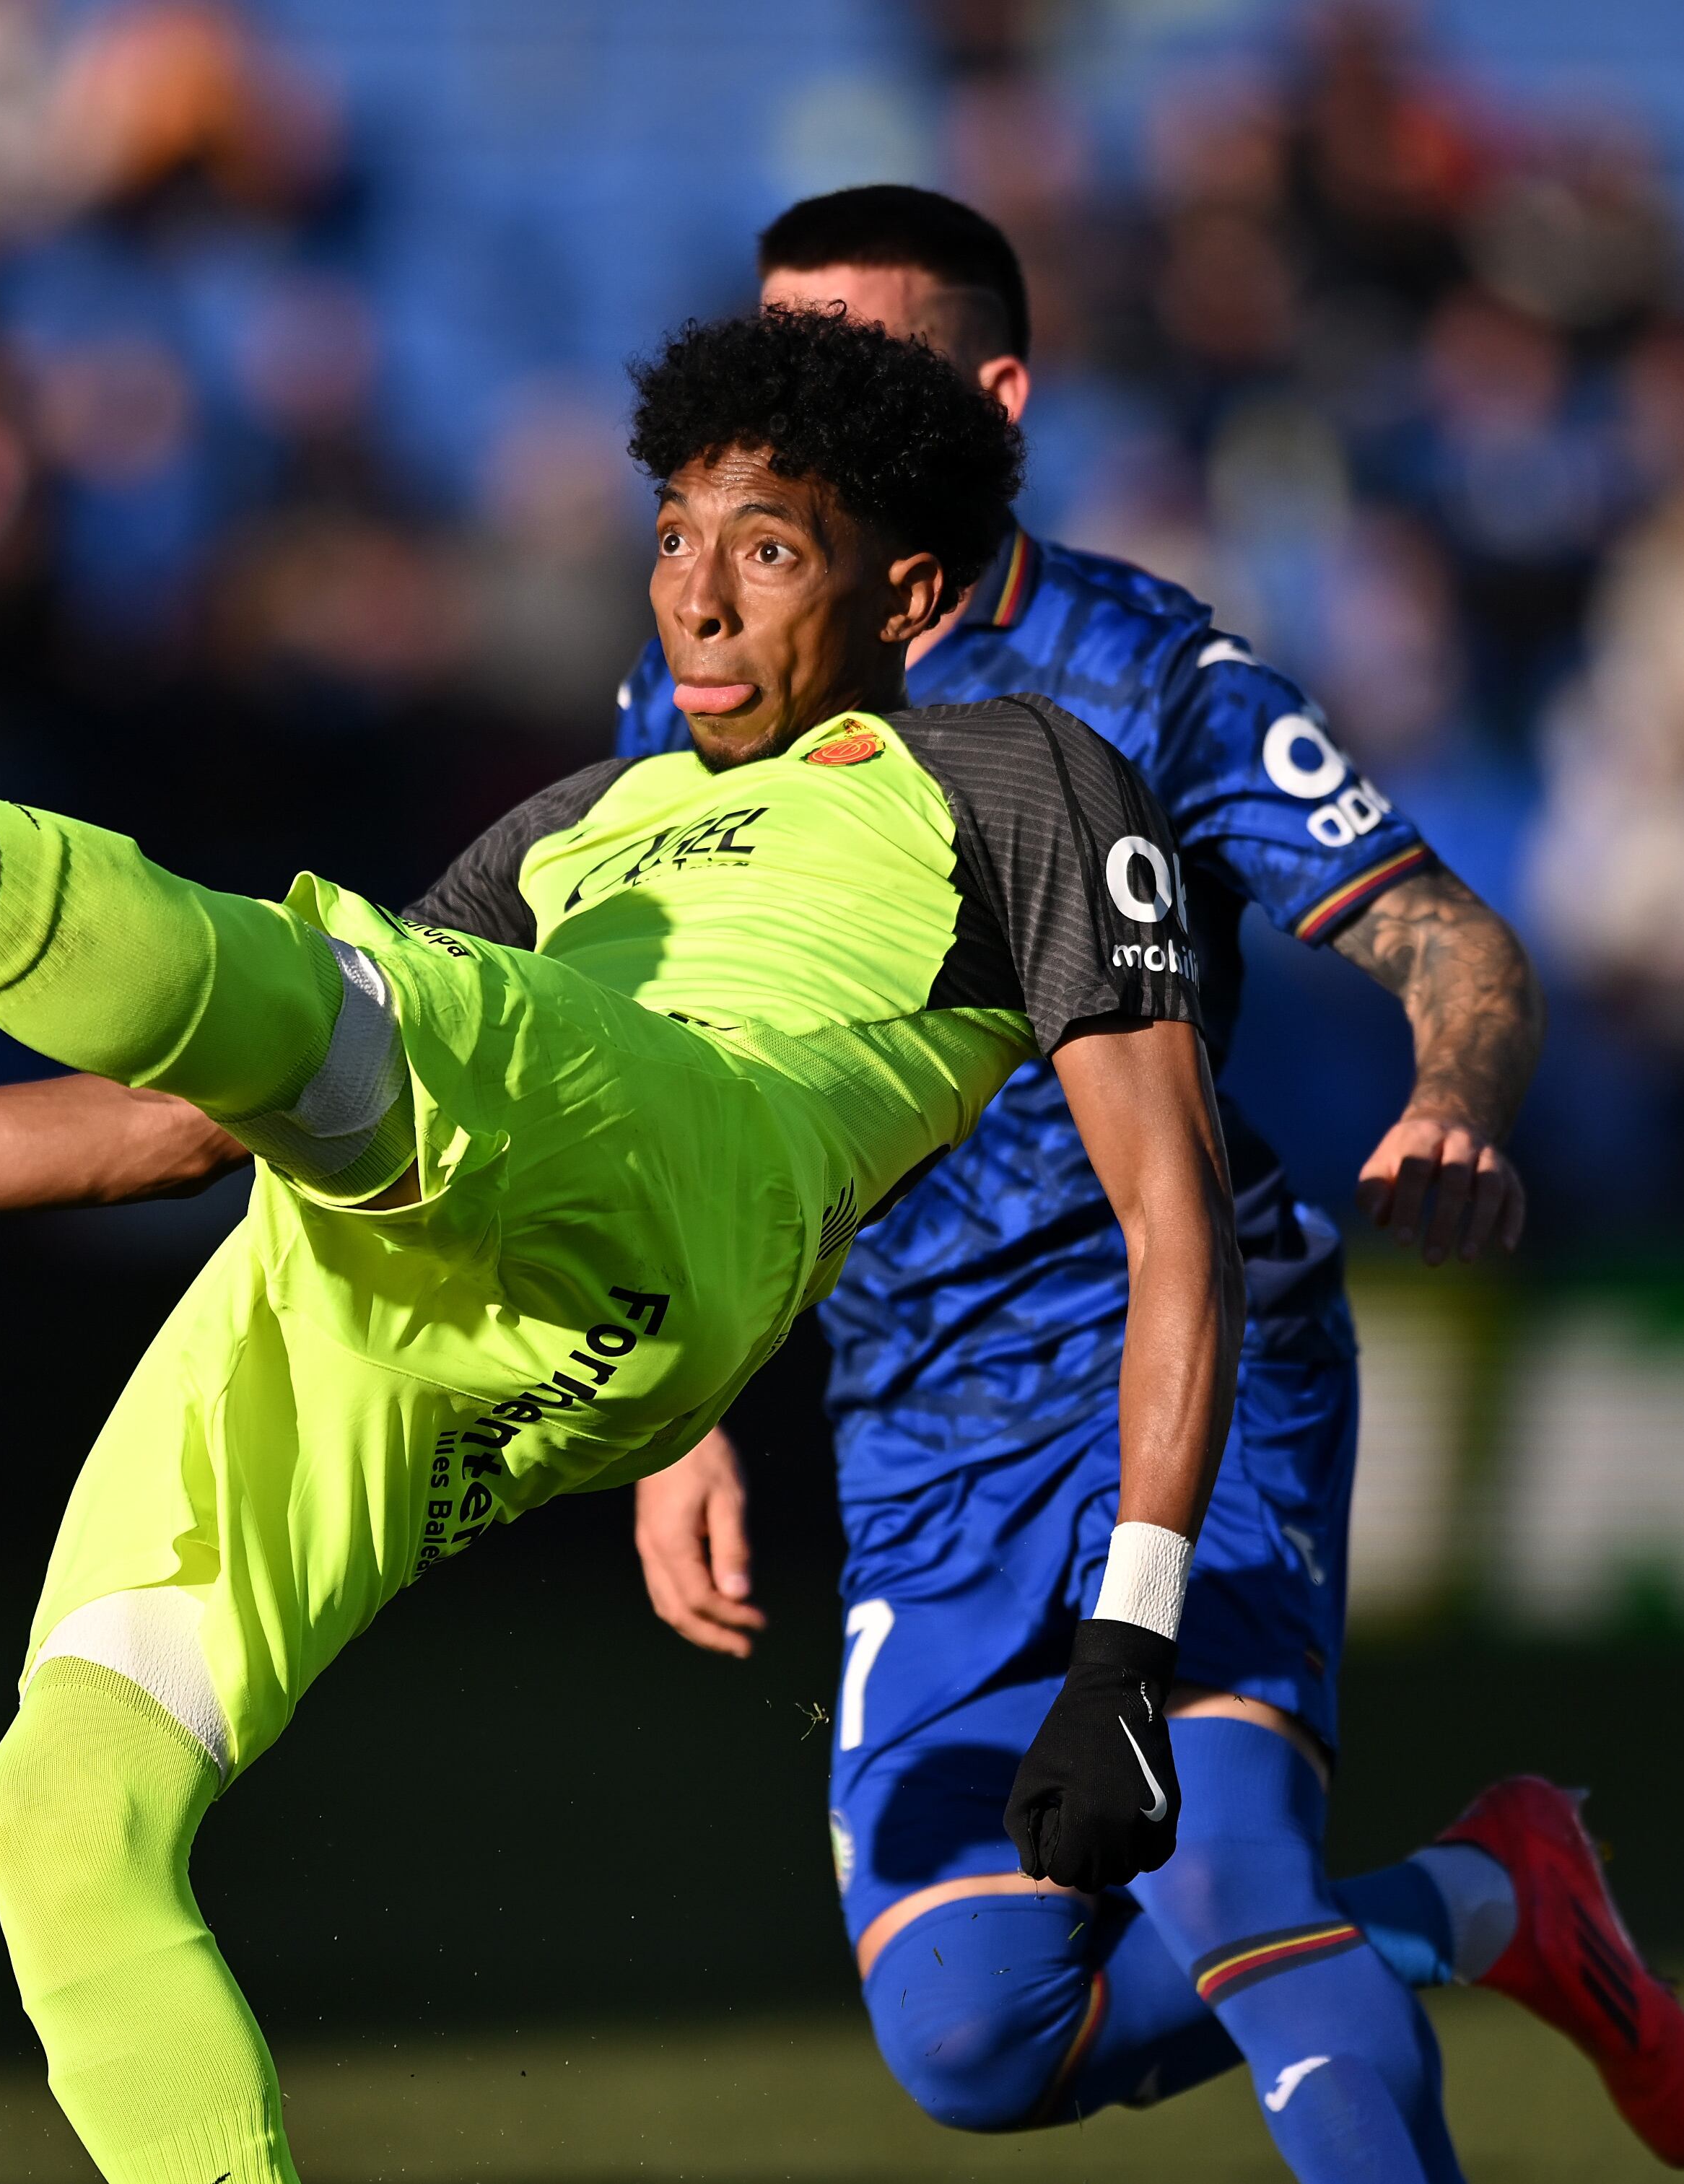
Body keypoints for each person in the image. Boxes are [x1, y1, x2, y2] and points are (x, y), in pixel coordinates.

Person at [0, 305, 1246, 2184]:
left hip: (680, 1172)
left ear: (901, 588)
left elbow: (1176, 1227)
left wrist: (1123, 1642)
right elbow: (195, 1106)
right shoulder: (582, 823)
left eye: (763, 546)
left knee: (353, 1001)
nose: (698, 600)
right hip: (377, 1271)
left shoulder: (1018, 778)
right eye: (670, 537)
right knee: (59, 1804)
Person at [611, 189, 1678, 2178]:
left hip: (1178, 1347)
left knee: (1231, 1886)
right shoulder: (695, 685)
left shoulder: (1136, 667)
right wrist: (674, 1412)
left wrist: (1451, 1087)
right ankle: (1488, 1897)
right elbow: (676, 1077)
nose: (782, 413)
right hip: (914, 1416)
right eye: (765, 360)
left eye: (840, 359)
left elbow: (1448, 932)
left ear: (988, 393)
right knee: (972, 2041)